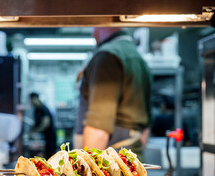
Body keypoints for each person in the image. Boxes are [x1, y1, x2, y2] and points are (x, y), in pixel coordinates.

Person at [74, 27, 152, 161]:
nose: (93, 32)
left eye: (93, 25)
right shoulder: (139, 59)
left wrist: (84, 174)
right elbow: (145, 128)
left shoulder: (107, 57)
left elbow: (98, 130)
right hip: (131, 161)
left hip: (109, 166)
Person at [29, 92, 57, 158]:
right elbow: (35, 123)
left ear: (36, 98)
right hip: (44, 137)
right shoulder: (36, 110)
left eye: (32, 100)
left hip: (50, 137)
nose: (31, 102)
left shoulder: (44, 109)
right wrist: (32, 130)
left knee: (50, 156)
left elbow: (46, 123)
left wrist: (36, 131)